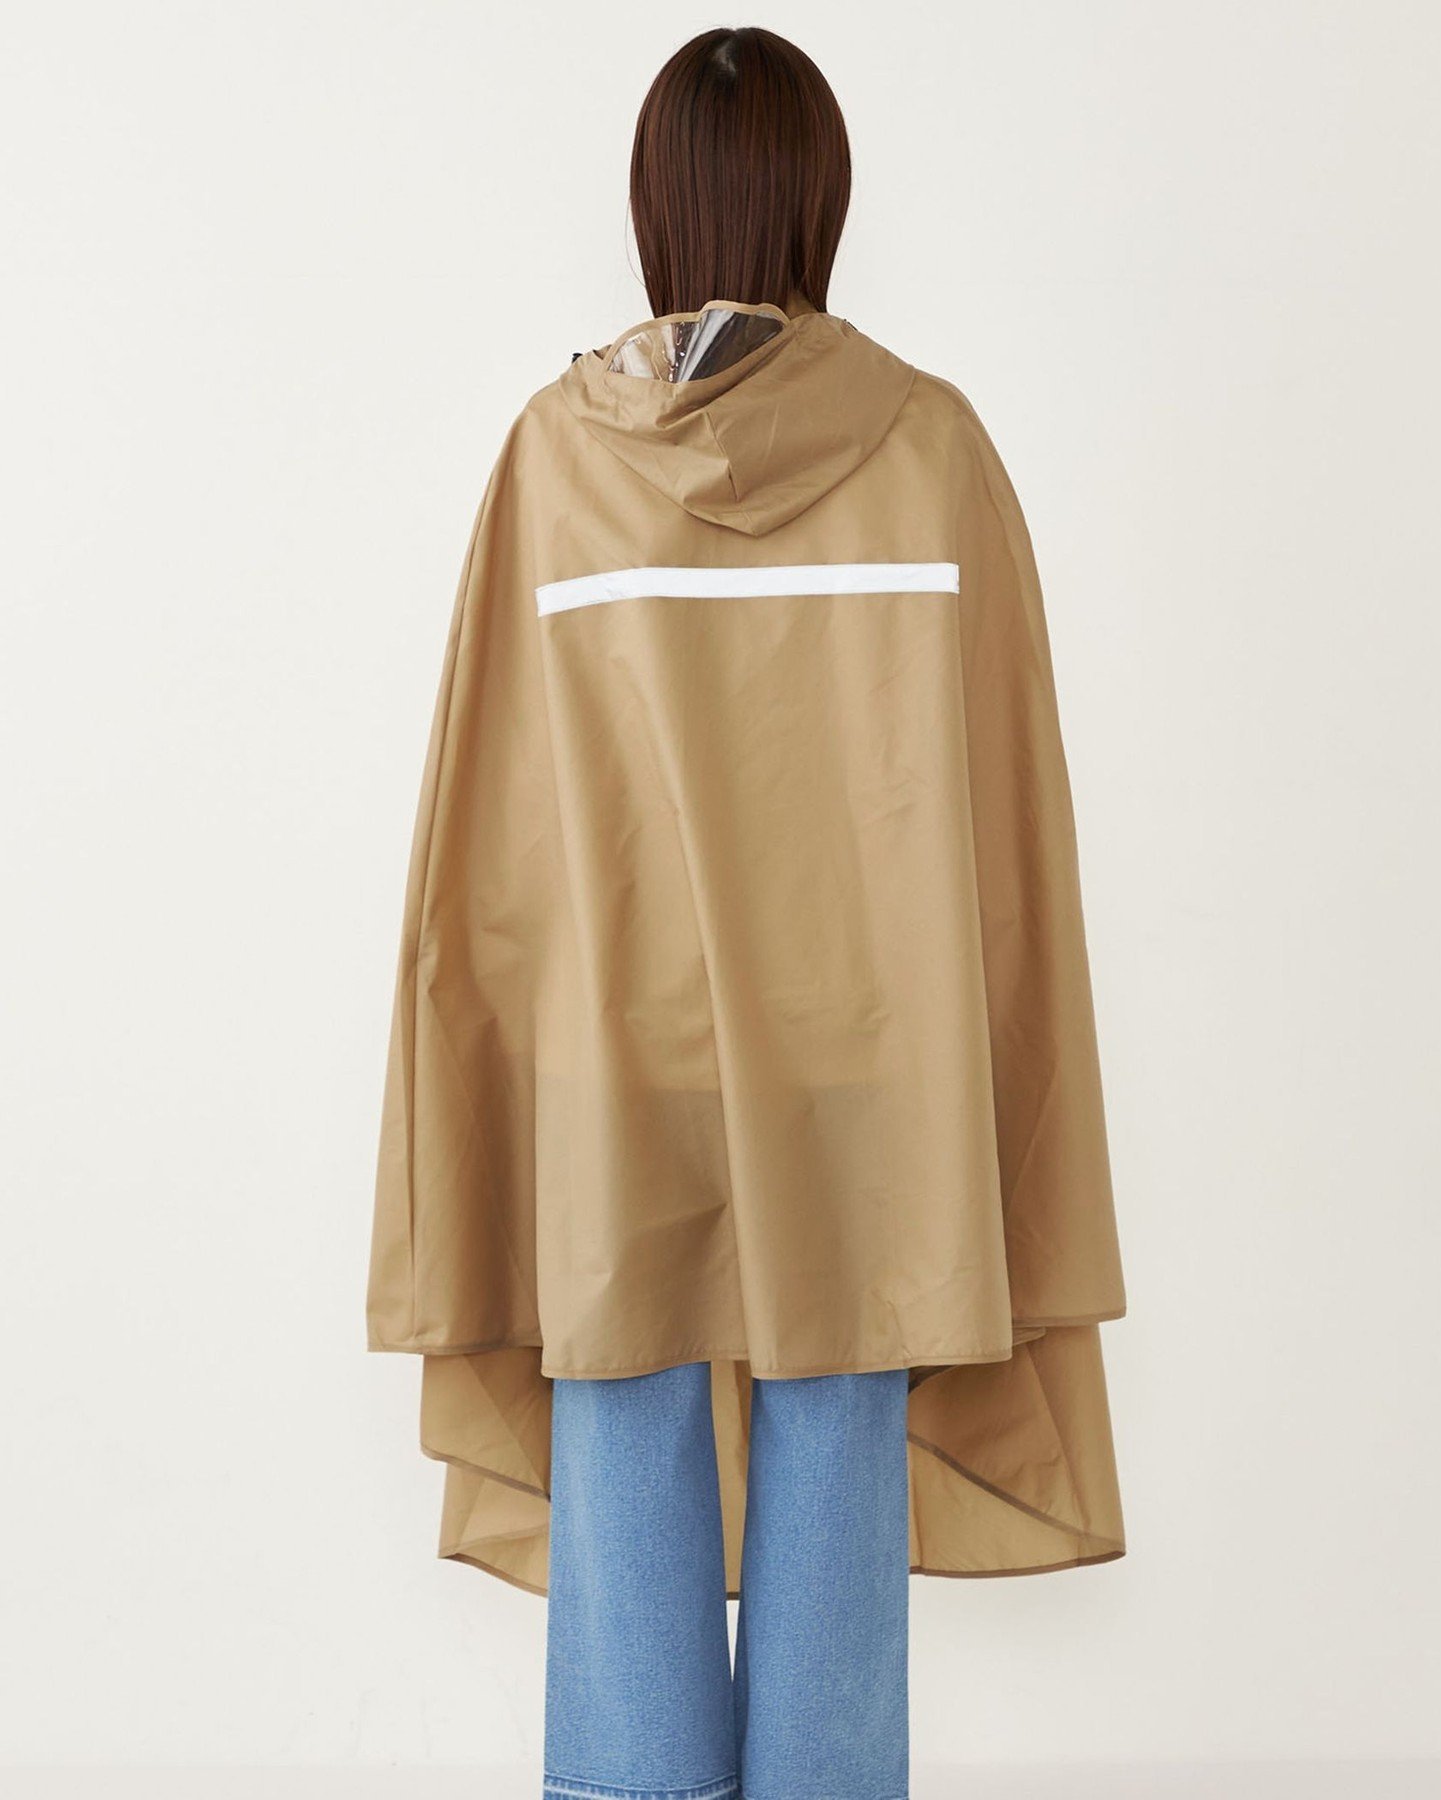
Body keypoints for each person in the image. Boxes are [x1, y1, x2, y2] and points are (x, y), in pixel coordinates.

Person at [367, 25, 1127, 1800]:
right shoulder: (933, 450)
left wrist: (482, 1077)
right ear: (821, 197)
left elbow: (492, 831)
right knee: (837, 1461)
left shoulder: (556, 458)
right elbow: (1004, 820)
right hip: (871, 1078)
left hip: (613, 1070)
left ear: (657, 202)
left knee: (624, 1440)